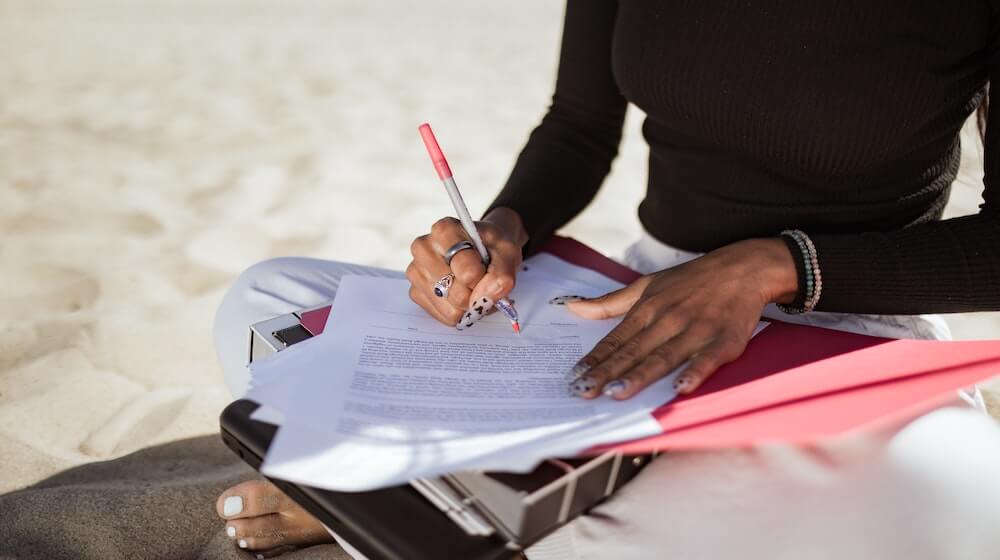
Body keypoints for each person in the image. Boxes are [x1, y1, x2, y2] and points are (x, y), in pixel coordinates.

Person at [212, 2, 1000, 558]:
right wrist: (504, 229)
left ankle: (410, 508)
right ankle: (439, 509)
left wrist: (773, 266)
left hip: (846, 319)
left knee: (962, 497)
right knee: (270, 297)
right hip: (627, 291)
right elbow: (579, 126)